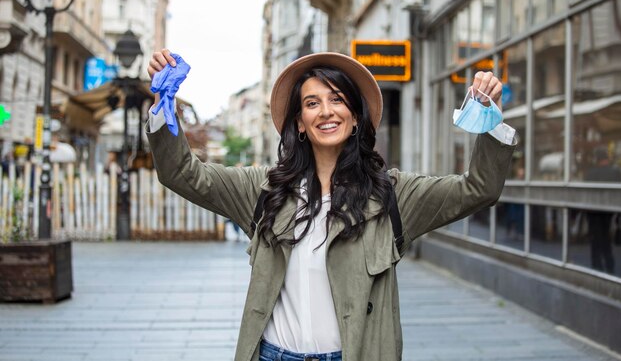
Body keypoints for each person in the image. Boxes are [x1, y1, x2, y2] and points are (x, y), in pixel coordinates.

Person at [146, 50, 516, 361]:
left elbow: (478, 188)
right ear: (300, 123)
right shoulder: (262, 190)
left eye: (337, 99)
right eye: (312, 103)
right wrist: (164, 108)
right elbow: (181, 172)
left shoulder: (393, 195)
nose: (326, 111)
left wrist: (490, 122)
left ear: (355, 117)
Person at [584, 147, 621, 274]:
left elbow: (585, 192)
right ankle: (610, 267)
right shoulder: (615, 173)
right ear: (607, 158)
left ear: (597, 159)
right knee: (606, 241)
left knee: (595, 241)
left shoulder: (591, 173)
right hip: (608, 211)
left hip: (593, 212)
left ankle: (597, 268)